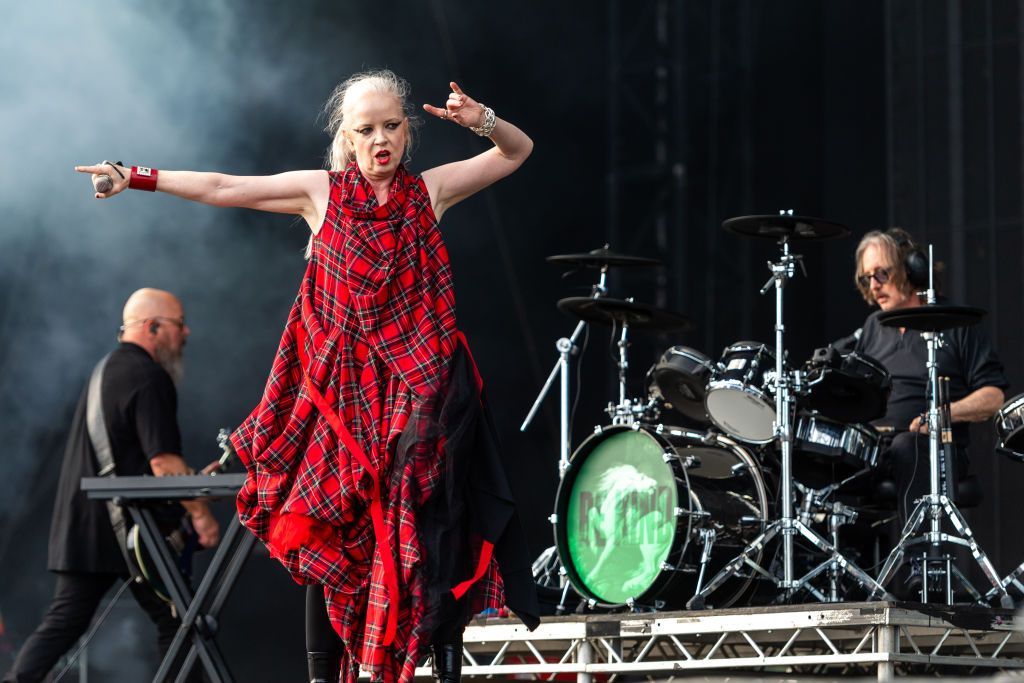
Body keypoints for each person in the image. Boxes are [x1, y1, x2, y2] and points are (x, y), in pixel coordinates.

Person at [75, 70, 540, 683]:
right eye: (366, 129)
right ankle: (323, 676)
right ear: (346, 137)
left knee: (435, 530)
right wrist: (133, 176)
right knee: (330, 538)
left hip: (418, 409)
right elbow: (222, 186)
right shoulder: (320, 193)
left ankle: (443, 668)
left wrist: (481, 120)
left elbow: (517, 150)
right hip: (345, 412)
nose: (381, 140)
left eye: (393, 127)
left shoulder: (430, 192)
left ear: (409, 131)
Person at [3, 288, 220, 683]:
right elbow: (162, 462)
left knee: (65, 622)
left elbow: (130, 456)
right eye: (177, 324)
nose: (185, 333)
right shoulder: (149, 376)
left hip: (87, 526)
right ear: (152, 327)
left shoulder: (106, 370)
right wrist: (201, 514)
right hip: (133, 532)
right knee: (181, 622)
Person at [851, 229, 1009, 529]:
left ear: (910, 271)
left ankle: (920, 562)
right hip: (876, 448)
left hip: (932, 447)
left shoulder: (956, 323)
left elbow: (993, 396)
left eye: (881, 274)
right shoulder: (872, 326)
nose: (873, 286)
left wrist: (938, 416)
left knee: (907, 446)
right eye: (865, 278)